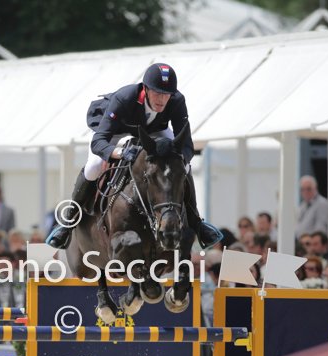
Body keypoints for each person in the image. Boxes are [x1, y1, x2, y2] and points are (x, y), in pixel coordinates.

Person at [46, 63, 222, 250]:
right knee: (94, 166)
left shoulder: (177, 101)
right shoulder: (124, 98)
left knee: (183, 166)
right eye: (157, 93)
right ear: (145, 89)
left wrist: (178, 160)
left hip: (153, 130)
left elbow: (186, 145)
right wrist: (119, 152)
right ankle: (68, 222)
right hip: (116, 131)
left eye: (167, 94)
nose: (162, 99)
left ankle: (197, 222)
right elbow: (98, 141)